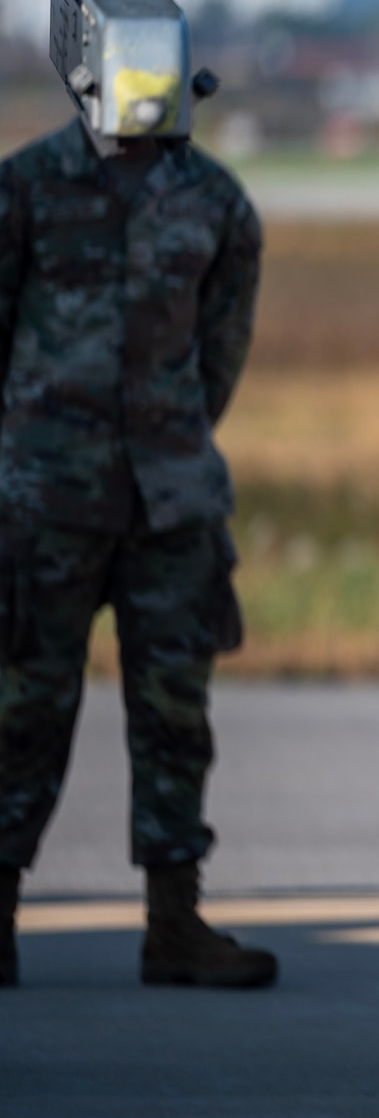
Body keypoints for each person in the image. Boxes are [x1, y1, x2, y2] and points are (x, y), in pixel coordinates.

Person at [0, 108, 274, 990]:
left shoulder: (213, 200)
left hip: (171, 507)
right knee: (21, 710)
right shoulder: (27, 186)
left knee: (173, 717)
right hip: (46, 500)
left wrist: (173, 438)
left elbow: (222, 349)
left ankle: (174, 924)